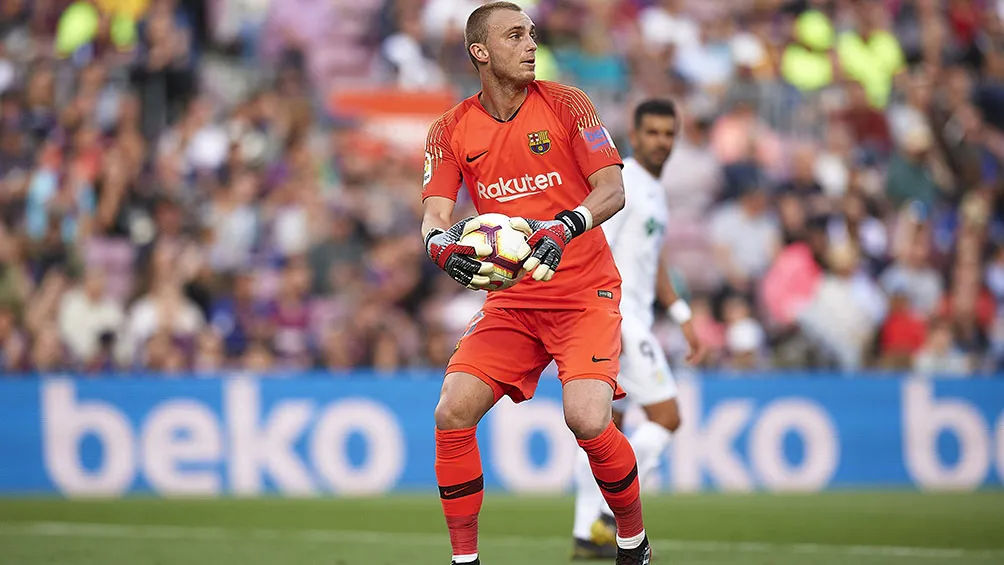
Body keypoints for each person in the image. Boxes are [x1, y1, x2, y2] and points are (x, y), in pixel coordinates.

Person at [420, 3, 651, 564]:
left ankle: (632, 544)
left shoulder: (568, 104)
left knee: (588, 419)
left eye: (532, 33)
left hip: (583, 294)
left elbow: (613, 190)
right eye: (515, 35)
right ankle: (465, 561)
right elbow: (433, 216)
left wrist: (565, 225)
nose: (531, 44)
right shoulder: (449, 130)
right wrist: (441, 248)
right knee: (452, 411)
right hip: (514, 302)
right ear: (480, 51)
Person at [570, 99, 705, 559]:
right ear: (635, 131)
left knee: (609, 429)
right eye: (652, 132)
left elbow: (655, 258)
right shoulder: (622, 180)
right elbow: (594, 247)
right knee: (667, 417)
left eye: (669, 133)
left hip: (635, 317)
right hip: (618, 318)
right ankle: (610, 515)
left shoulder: (653, 190)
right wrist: (599, 317)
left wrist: (683, 315)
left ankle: (588, 530)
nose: (661, 141)